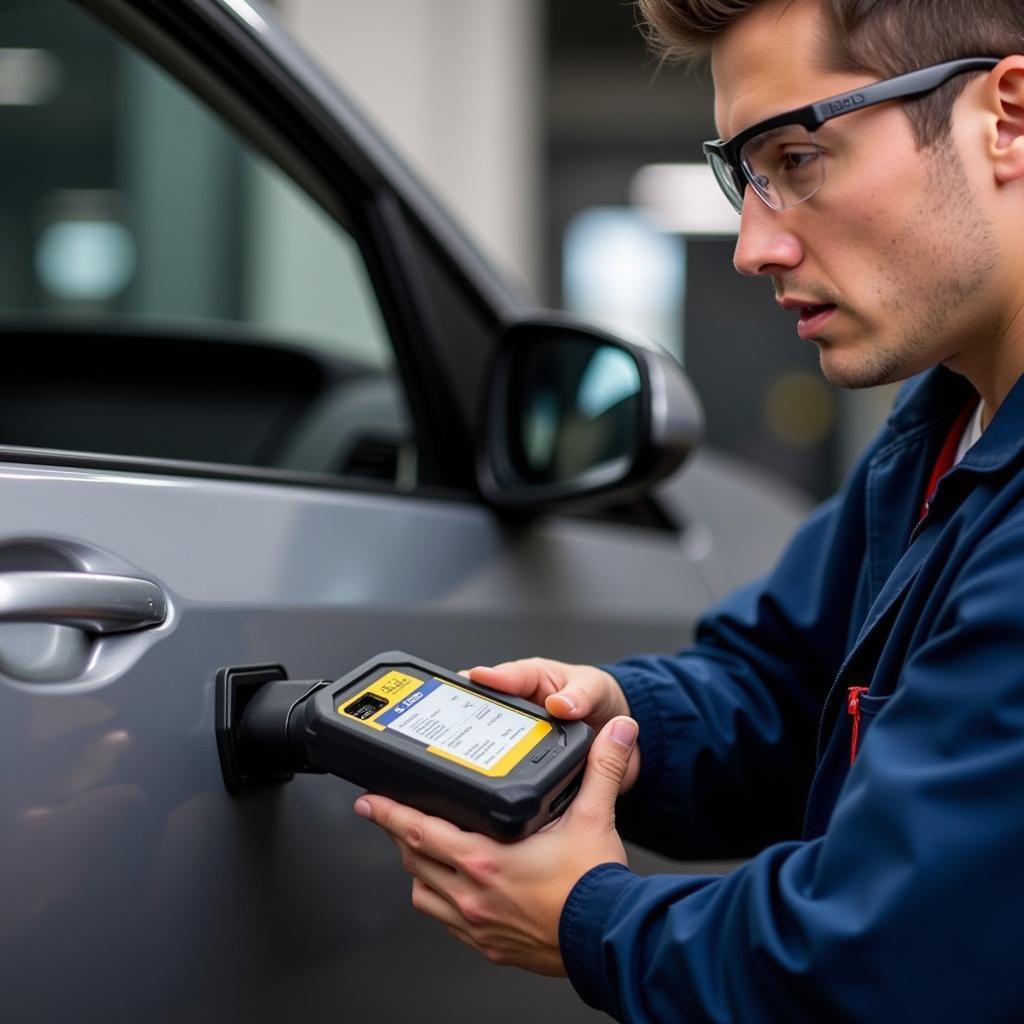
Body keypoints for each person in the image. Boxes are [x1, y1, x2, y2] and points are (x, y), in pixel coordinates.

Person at [353, 0, 1024, 1018]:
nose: (753, 244)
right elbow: (787, 689)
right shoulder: (944, 426)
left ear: (1007, 117)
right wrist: (613, 726)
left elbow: (883, 955)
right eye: (744, 176)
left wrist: (587, 916)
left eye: (798, 158)